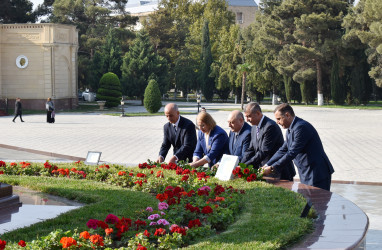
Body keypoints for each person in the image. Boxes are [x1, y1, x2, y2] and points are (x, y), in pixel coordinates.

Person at [261, 103, 334, 191]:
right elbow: (283, 150)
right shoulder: (290, 129)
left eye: (279, 119)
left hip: (317, 173)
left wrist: (273, 168)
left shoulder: (301, 127)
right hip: (306, 172)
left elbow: (292, 153)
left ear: (287, 115)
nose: (277, 122)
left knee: (317, 203)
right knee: (308, 202)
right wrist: (267, 165)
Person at [241, 102, 295, 181]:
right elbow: (251, 149)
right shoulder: (254, 127)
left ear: (258, 113)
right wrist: (240, 164)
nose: (247, 120)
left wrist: (245, 165)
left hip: (278, 172)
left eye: (249, 116)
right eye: (246, 117)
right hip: (265, 170)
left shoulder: (270, 126)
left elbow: (264, 151)